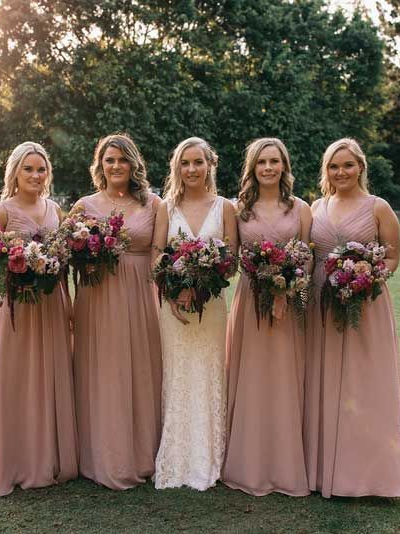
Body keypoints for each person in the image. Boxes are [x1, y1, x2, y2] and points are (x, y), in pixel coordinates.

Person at [304, 138, 400, 498]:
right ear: (326, 171)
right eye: (334, 166)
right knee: (325, 381)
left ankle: (370, 477)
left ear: (361, 167)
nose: (341, 172)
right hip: (321, 303)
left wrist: (368, 277)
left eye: (347, 165)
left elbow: (393, 257)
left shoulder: (378, 208)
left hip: (365, 306)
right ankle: (323, 472)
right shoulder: (316, 206)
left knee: (364, 384)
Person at [0, 141, 78, 497]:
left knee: (47, 378)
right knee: (16, 380)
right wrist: (23, 271)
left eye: (41, 169)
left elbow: (63, 263)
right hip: (15, 307)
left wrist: (66, 305)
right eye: (28, 169)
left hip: (49, 305)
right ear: (15, 173)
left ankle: (46, 459)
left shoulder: (56, 211)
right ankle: (13, 462)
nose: (36, 176)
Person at [71, 133, 163, 490]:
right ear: (100, 165)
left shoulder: (154, 204)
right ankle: (102, 455)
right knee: (103, 371)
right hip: (97, 297)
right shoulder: (83, 206)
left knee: (140, 370)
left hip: (140, 294)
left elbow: (157, 255)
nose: (116, 166)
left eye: (122, 159)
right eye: (109, 160)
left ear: (133, 164)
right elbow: (70, 258)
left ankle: (141, 455)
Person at [222, 138, 312, 496]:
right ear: (253, 168)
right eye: (262, 162)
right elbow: (231, 258)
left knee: (286, 376)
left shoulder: (302, 208)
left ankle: (286, 463)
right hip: (250, 301)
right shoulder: (239, 209)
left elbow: (306, 256)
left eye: (275, 161)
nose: (269, 168)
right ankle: (249, 462)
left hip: (289, 304)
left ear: (285, 167)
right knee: (252, 376)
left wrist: (285, 287)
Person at [152, 137, 238, 490]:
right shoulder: (166, 208)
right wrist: (174, 286)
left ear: (209, 165)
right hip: (173, 308)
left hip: (212, 307)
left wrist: (204, 280)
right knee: (177, 374)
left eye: (198, 162)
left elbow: (231, 261)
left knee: (210, 372)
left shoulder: (225, 208)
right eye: (185, 163)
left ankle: (212, 457)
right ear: (177, 167)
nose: (191, 169)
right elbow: (156, 253)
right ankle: (176, 457)